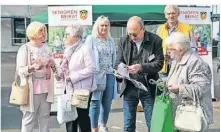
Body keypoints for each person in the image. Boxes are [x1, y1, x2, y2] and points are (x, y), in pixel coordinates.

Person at [115, 16, 164, 132]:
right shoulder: (123, 41)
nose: (132, 37)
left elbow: (159, 64)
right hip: (130, 87)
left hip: (148, 87)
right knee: (128, 126)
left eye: (135, 34)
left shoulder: (155, 40)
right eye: (129, 34)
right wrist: (120, 69)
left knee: (152, 125)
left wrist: (141, 67)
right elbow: (118, 62)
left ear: (143, 29)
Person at [164, 32, 213, 131]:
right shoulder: (176, 60)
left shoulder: (196, 62)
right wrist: (164, 82)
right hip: (180, 114)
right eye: (168, 48)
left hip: (192, 116)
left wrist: (179, 88)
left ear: (181, 50)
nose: (168, 52)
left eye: (171, 49)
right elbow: (177, 79)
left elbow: (201, 88)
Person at [16, 21, 58, 132]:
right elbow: (20, 70)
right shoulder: (25, 48)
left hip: (46, 88)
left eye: (44, 30)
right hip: (31, 89)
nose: (44, 33)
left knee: (45, 117)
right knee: (29, 118)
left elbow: (53, 67)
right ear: (33, 32)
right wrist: (33, 67)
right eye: (41, 30)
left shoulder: (47, 48)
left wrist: (52, 65)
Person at [61, 24, 97, 132]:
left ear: (76, 37)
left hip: (82, 90)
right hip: (69, 89)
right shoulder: (68, 49)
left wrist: (72, 77)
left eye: (68, 34)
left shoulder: (85, 49)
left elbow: (91, 69)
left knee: (82, 117)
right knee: (70, 118)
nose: (65, 36)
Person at [85, 15, 118, 132]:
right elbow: (86, 57)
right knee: (95, 102)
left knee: (107, 102)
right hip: (96, 75)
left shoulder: (110, 40)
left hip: (109, 74)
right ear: (97, 26)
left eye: (106, 25)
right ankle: (94, 128)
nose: (104, 27)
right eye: (102, 25)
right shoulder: (91, 39)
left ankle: (102, 124)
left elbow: (114, 56)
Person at [156, 5, 198, 79]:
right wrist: (162, 55)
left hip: (181, 68)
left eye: (173, 13)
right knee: (163, 89)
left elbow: (193, 49)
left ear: (178, 14)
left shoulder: (187, 28)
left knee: (178, 90)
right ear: (165, 15)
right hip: (164, 70)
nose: (171, 16)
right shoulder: (159, 30)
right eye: (168, 14)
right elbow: (155, 49)